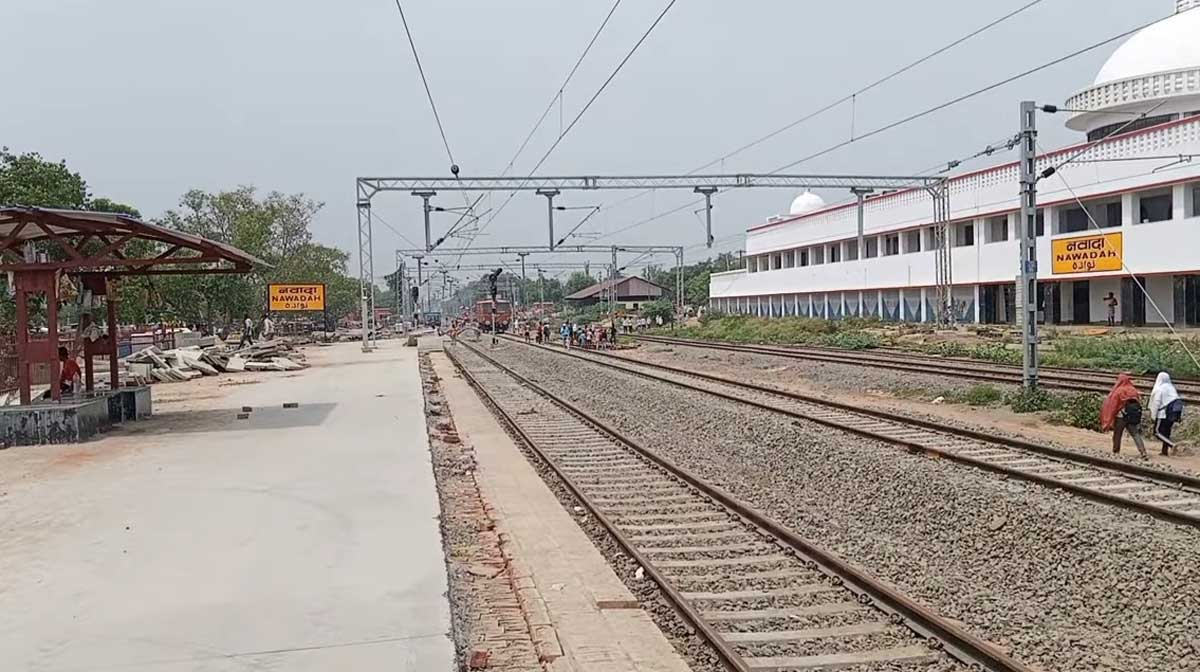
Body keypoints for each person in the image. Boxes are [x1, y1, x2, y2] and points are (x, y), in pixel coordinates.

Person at [1101, 373, 1148, 459]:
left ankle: (1116, 451)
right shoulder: (1133, 390)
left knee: (1117, 434)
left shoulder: (1119, 391)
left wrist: (1108, 420)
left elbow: (1113, 406)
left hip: (1121, 416)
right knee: (1135, 434)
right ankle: (1143, 451)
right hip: (1132, 416)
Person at [1149, 372, 1183, 456]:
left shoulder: (1159, 389)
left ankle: (1172, 445)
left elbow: (1156, 403)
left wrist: (1153, 415)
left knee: (1157, 432)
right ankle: (1164, 451)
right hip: (1172, 414)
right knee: (1167, 432)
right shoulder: (1171, 388)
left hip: (1162, 414)